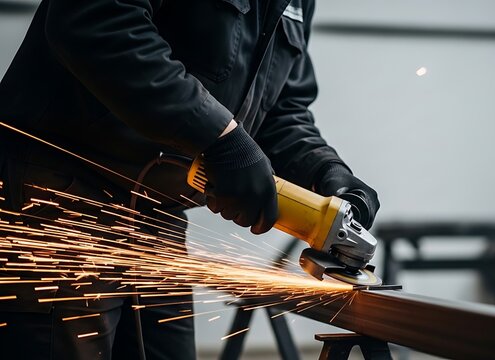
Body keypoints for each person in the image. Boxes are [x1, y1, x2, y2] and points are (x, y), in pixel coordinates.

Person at [0, 0, 380, 359]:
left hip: (156, 215)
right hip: (57, 202)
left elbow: (282, 109)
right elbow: (96, 19)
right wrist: (220, 137)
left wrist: (326, 172)